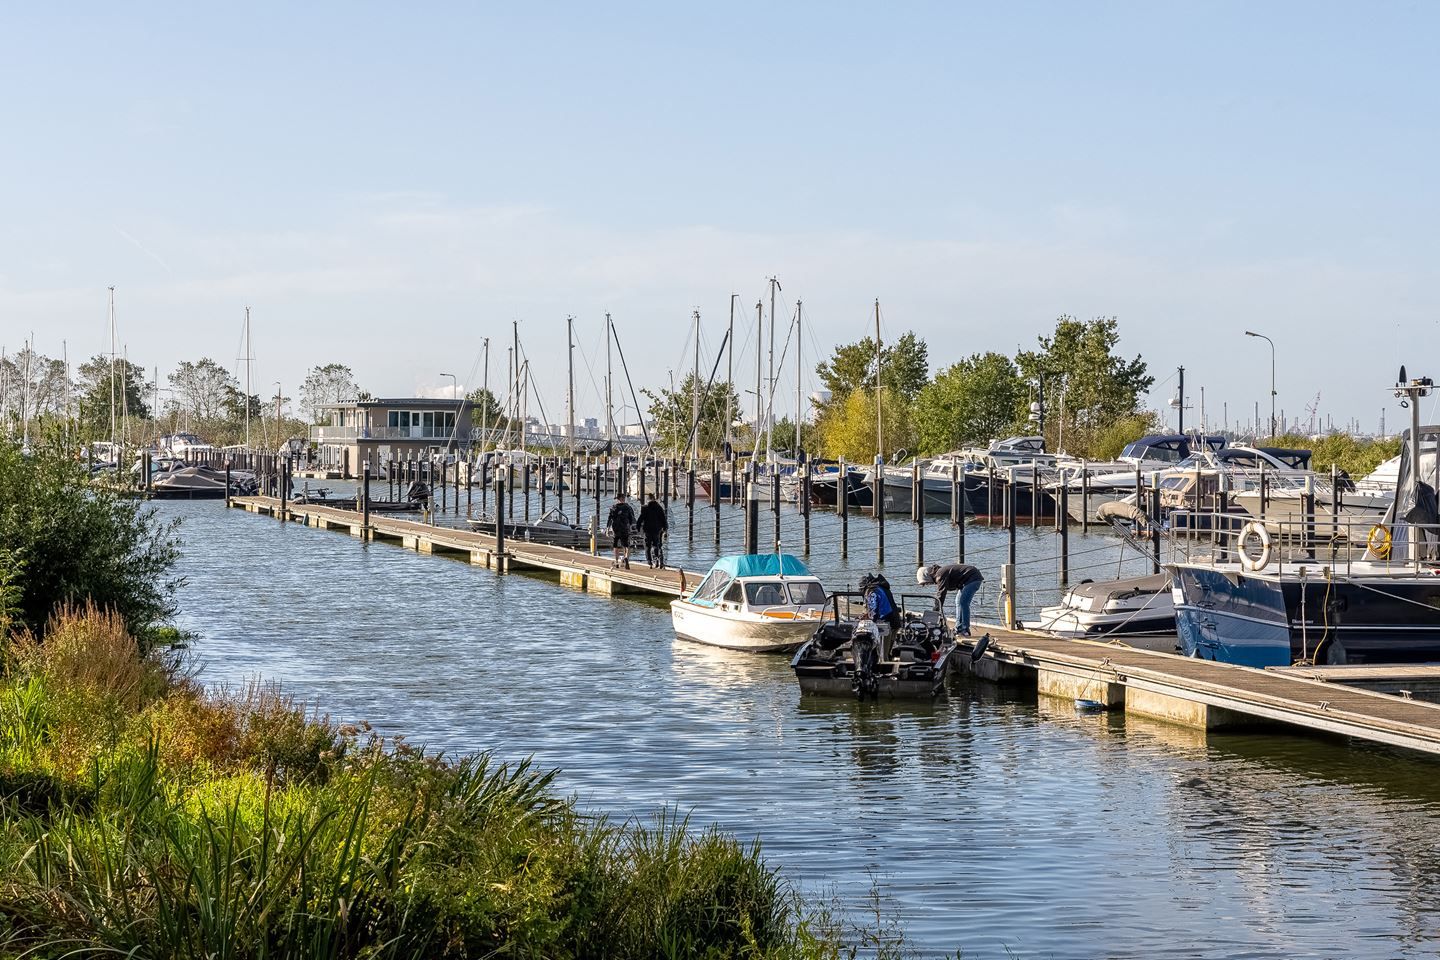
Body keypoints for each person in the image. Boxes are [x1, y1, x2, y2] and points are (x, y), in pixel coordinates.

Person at [918, 563, 984, 637]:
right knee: (958, 602)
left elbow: (941, 594)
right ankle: (958, 628)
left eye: (926, 582)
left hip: (973, 578)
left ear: (927, 575)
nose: (928, 584)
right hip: (966, 580)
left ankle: (965, 630)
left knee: (964, 602)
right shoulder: (940, 573)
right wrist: (937, 608)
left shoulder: (940, 575)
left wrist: (936, 610)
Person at [606, 492, 637, 569]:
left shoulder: (613, 507)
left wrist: (607, 529)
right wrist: (631, 527)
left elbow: (610, 519)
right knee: (626, 545)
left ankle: (616, 562)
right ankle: (626, 557)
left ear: (617, 499)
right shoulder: (628, 507)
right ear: (624, 499)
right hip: (625, 528)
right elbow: (632, 519)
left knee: (615, 545)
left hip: (616, 529)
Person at [639, 493, 668, 568]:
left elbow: (641, 518)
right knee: (656, 545)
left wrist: (638, 527)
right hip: (657, 529)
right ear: (654, 499)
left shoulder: (644, 508)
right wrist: (665, 528)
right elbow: (663, 518)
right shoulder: (659, 507)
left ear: (647, 499)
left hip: (647, 530)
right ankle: (656, 559)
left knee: (647, 546)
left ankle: (649, 562)